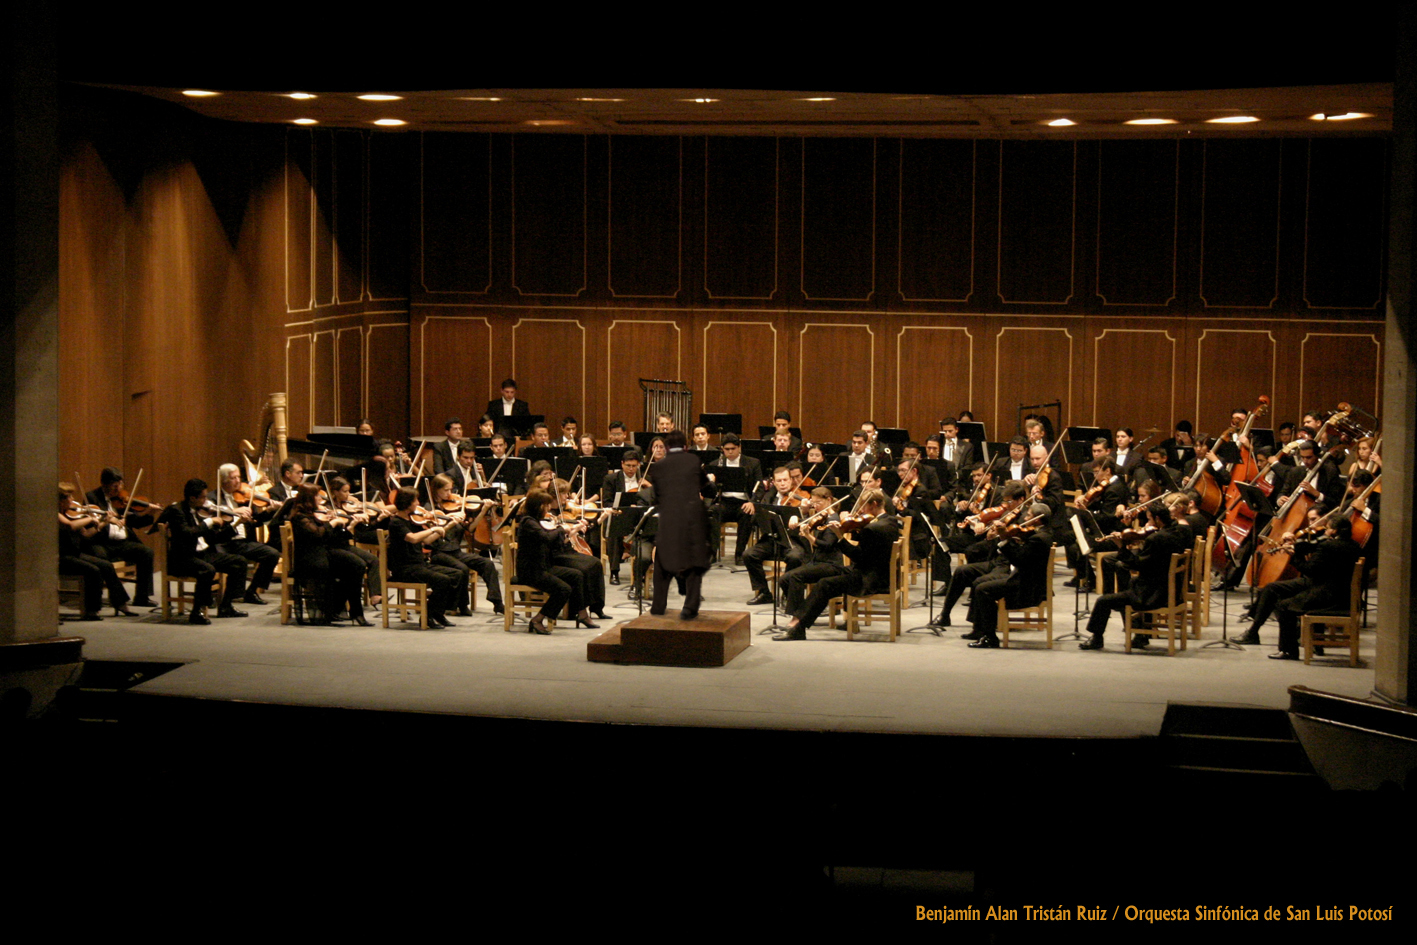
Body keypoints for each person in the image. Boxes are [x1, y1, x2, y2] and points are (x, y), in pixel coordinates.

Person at [772, 489, 900, 641]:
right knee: (827, 581)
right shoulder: (891, 521)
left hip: (869, 580)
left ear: (873, 504)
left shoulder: (872, 529)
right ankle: (798, 623)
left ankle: (798, 627)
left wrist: (840, 536)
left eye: (863, 506)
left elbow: (858, 557)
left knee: (824, 584)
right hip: (882, 574)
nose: (861, 510)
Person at [1079, 496, 1192, 651]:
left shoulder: (1156, 538)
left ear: (1158, 519)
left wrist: (1121, 547)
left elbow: (1137, 565)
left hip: (1152, 595)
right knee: (1127, 589)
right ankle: (1140, 635)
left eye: (1150, 519)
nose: (1148, 523)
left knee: (1104, 601)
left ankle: (1097, 639)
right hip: (1171, 590)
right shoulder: (1177, 532)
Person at [961, 502, 1054, 648]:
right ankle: (980, 630)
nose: (1025, 517)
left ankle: (990, 637)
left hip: (1028, 587)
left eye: (1029, 515)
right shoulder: (1043, 533)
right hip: (1026, 579)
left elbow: (1019, 560)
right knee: (979, 583)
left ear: (1037, 519)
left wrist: (1005, 539)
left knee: (983, 589)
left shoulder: (1038, 539)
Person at [158, 478, 250, 624]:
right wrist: (209, 522)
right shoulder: (177, 511)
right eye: (203, 497)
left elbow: (215, 538)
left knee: (239, 562)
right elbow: (187, 533)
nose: (206, 501)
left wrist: (236, 523)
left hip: (201, 555)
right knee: (207, 570)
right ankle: (196, 612)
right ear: (192, 498)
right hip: (182, 558)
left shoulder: (201, 512)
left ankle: (226, 606)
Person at [642, 430, 712, 619]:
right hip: (691, 521)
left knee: (662, 563)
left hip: (669, 520)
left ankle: (658, 606)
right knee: (693, 563)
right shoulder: (693, 460)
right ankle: (690, 607)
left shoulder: (658, 467)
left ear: (666, 447)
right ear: (686, 446)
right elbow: (705, 485)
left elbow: (657, 494)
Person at [1270, 518, 1362, 660]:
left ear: (1335, 531)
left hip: (1329, 599)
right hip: (1346, 597)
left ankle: (1289, 651)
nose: (1325, 531)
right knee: (1295, 598)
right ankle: (1309, 644)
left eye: (1327, 528)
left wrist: (1295, 556)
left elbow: (1309, 570)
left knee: (1283, 606)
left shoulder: (1328, 547)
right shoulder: (1355, 546)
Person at [288, 484, 370, 625]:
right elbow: (317, 534)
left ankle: (351, 611)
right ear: (309, 498)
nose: (320, 498)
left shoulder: (316, 514)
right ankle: (339, 610)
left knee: (358, 565)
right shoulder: (299, 517)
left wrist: (343, 526)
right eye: (317, 495)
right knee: (352, 568)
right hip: (310, 559)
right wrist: (333, 522)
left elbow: (331, 537)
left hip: (325, 554)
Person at [515, 491, 594, 634]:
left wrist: (573, 530)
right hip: (531, 571)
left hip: (543, 567)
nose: (548, 508)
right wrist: (561, 529)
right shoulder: (528, 522)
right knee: (564, 589)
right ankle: (537, 619)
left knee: (577, 575)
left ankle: (582, 614)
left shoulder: (536, 521)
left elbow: (553, 542)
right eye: (546, 505)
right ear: (539, 506)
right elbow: (545, 538)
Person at [383, 487, 462, 629]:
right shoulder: (396, 523)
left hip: (419, 564)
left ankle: (438, 612)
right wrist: (432, 529)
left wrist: (448, 525)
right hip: (405, 568)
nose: (418, 503)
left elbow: (427, 540)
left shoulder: (414, 520)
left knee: (457, 574)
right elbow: (413, 538)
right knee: (442, 580)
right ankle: (428, 616)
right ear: (407, 503)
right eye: (415, 501)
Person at [83, 466, 156, 607]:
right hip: (101, 542)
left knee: (146, 552)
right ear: (104, 484)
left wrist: (149, 513)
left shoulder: (121, 500)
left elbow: (136, 522)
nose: (119, 489)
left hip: (121, 542)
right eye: (115, 486)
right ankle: (113, 596)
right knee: (100, 557)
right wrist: (108, 519)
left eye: (120, 484)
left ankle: (142, 597)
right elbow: (91, 521)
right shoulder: (92, 497)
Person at [59, 485, 133, 619]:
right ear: (60, 500)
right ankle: (91, 611)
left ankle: (120, 603)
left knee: (106, 565)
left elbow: (86, 534)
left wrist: (104, 522)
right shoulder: (57, 515)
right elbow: (70, 526)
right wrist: (90, 518)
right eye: (69, 496)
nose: (73, 499)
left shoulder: (71, 515)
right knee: (93, 570)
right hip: (61, 558)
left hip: (75, 554)